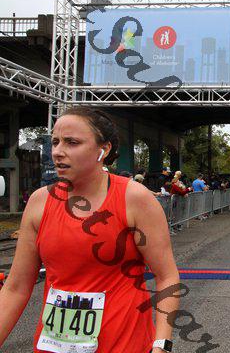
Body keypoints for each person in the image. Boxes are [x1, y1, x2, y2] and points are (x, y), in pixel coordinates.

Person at [0, 107, 179, 352]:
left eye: (72, 142)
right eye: (55, 142)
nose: (58, 151)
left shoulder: (135, 198)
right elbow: (16, 288)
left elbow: (166, 276)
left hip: (124, 345)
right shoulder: (39, 201)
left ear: (103, 150)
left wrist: (161, 345)